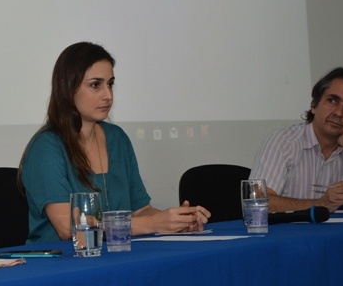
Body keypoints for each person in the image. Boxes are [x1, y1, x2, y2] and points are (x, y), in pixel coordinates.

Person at [19, 42, 210, 243]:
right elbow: (68, 227)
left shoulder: (117, 138)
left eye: (110, 84)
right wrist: (153, 224)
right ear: (68, 88)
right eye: (95, 85)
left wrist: (176, 222)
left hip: (117, 256)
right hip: (63, 265)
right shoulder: (46, 147)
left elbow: (140, 210)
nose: (108, 95)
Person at [250, 67, 343, 213]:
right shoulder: (282, 142)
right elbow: (257, 203)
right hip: (285, 238)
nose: (339, 113)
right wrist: (321, 204)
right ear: (314, 105)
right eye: (332, 100)